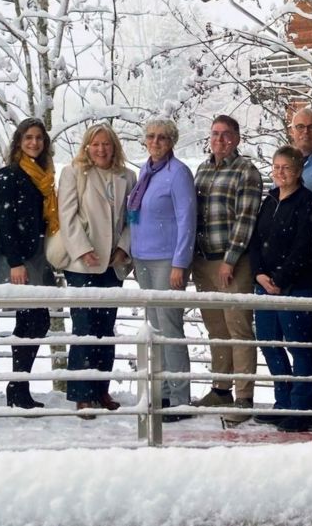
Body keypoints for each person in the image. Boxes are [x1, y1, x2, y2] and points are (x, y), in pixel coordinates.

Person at [59, 123, 137, 418]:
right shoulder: (73, 173)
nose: (101, 149)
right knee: (84, 329)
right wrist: (82, 249)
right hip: (83, 263)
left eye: (106, 144)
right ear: (87, 147)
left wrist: (124, 247)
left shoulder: (127, 177)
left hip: (112, 264)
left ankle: (100, 389)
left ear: (114, 146)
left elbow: (133, 218)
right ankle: (81, 393)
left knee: (105, 329)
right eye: (95, 144)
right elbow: (67, 215)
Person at [191, 115, 263, 425]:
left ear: (237, 138)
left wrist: (230, 260)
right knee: (217, 329)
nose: (220, 140)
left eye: (226, 134)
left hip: (233, 262)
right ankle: (221, 389)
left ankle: (244, 396)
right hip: (204, 260)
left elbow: (245, 220)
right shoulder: (202, 169)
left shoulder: (246, 171)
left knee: (239, 329)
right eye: (215, 134)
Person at [127, 119, 197, 422]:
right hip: (143, 259)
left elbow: (187, 220)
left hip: (168, 261)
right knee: (155, 327)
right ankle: (165, 390)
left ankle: (181, 398)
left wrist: (180, 263)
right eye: (151, 137)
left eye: (162, 138)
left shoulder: (178, 173)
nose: (155, 142)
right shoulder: (146, 172)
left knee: (170, 327)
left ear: (172, 141)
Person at [250, 146, 312, 433]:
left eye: (287, 168)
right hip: (264, 287)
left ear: (299, 171)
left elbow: (304, 247)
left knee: (299, 346)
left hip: (296, 287)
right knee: (269, 343)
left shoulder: (307, 204)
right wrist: (259, 274)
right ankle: (282, 401)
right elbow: (256, 240)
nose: (280, 173)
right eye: (276, 167)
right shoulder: (269, 200)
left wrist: (280, 278)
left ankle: (301, 406)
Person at [0, 117, 57, 409]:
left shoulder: (44, 174)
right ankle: (17, 387)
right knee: (31, 320)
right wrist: (15, 261)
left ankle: (19, 387)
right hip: (23, 259)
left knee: (36, 320)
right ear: (19, 142)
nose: (34, 143)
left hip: (42, 255)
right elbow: (5, 221)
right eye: (28, 138)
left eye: (39, 138)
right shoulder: (10, 174)